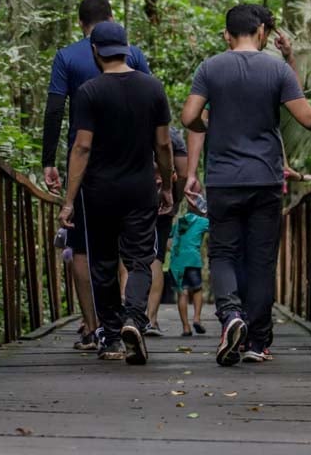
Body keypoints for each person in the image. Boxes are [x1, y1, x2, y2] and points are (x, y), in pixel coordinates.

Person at [181, 5, 311, 366]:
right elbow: (305, 115)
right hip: (267, 179)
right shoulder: (276, 68)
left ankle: (230, 315)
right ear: (261, 32)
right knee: (261, 261)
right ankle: (258, 342)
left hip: (225, 180)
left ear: (228, 34)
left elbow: (188, 117)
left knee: (224, 253)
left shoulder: (209, 68)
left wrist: (210, 125)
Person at [58, 21, 174, 364]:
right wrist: (166, 185)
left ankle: (109, 337)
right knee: (139, 258)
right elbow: (164, 143)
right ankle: (134, 318)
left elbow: (81, 147)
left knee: (103, 262)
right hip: (140, 189)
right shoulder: (153, 88)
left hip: (98, 192)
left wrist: (69, 200)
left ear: (95, 51)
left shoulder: (90, 92)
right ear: (126, 48)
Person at [42, 0, 151, 351]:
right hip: (133, 165)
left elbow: (56, 109)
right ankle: (126, 322)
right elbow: (150, 108)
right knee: (128, 250)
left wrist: (49, 161)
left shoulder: (67, 57)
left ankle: (95, 327)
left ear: (80, 25)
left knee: (86, 249)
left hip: (87, 169)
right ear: (112, 19)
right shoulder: (131, 54)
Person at [144, 127, 189, 335]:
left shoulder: (127, 125)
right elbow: (183, 173)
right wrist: (174, 201)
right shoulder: (172, 136)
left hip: (131, 197)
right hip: (163, 202)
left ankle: (129, 315)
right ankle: (150, 319)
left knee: (126, 253)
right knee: (156, 257)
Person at [169, 204, 209, 336]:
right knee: (197, 289)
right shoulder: (202, 221)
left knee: (182, 293)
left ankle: (186, 328)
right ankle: (197, 319)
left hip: (177, 263)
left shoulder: (180, 222)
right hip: (192, 260)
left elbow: (169, 243)